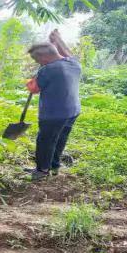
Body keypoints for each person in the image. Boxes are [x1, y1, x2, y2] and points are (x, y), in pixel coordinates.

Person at [25, 29, 81, 180]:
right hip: (72, 110)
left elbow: (34, 89)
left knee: (46, 140)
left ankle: (42, 170)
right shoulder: (74, 63)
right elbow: (66, 52)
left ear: (44, 57)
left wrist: (29, 82)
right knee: (60, 138)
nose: (38, 63)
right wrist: (58, 40)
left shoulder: (48, 69)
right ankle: (54, 166)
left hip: (54, 113)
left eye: (37, 60)